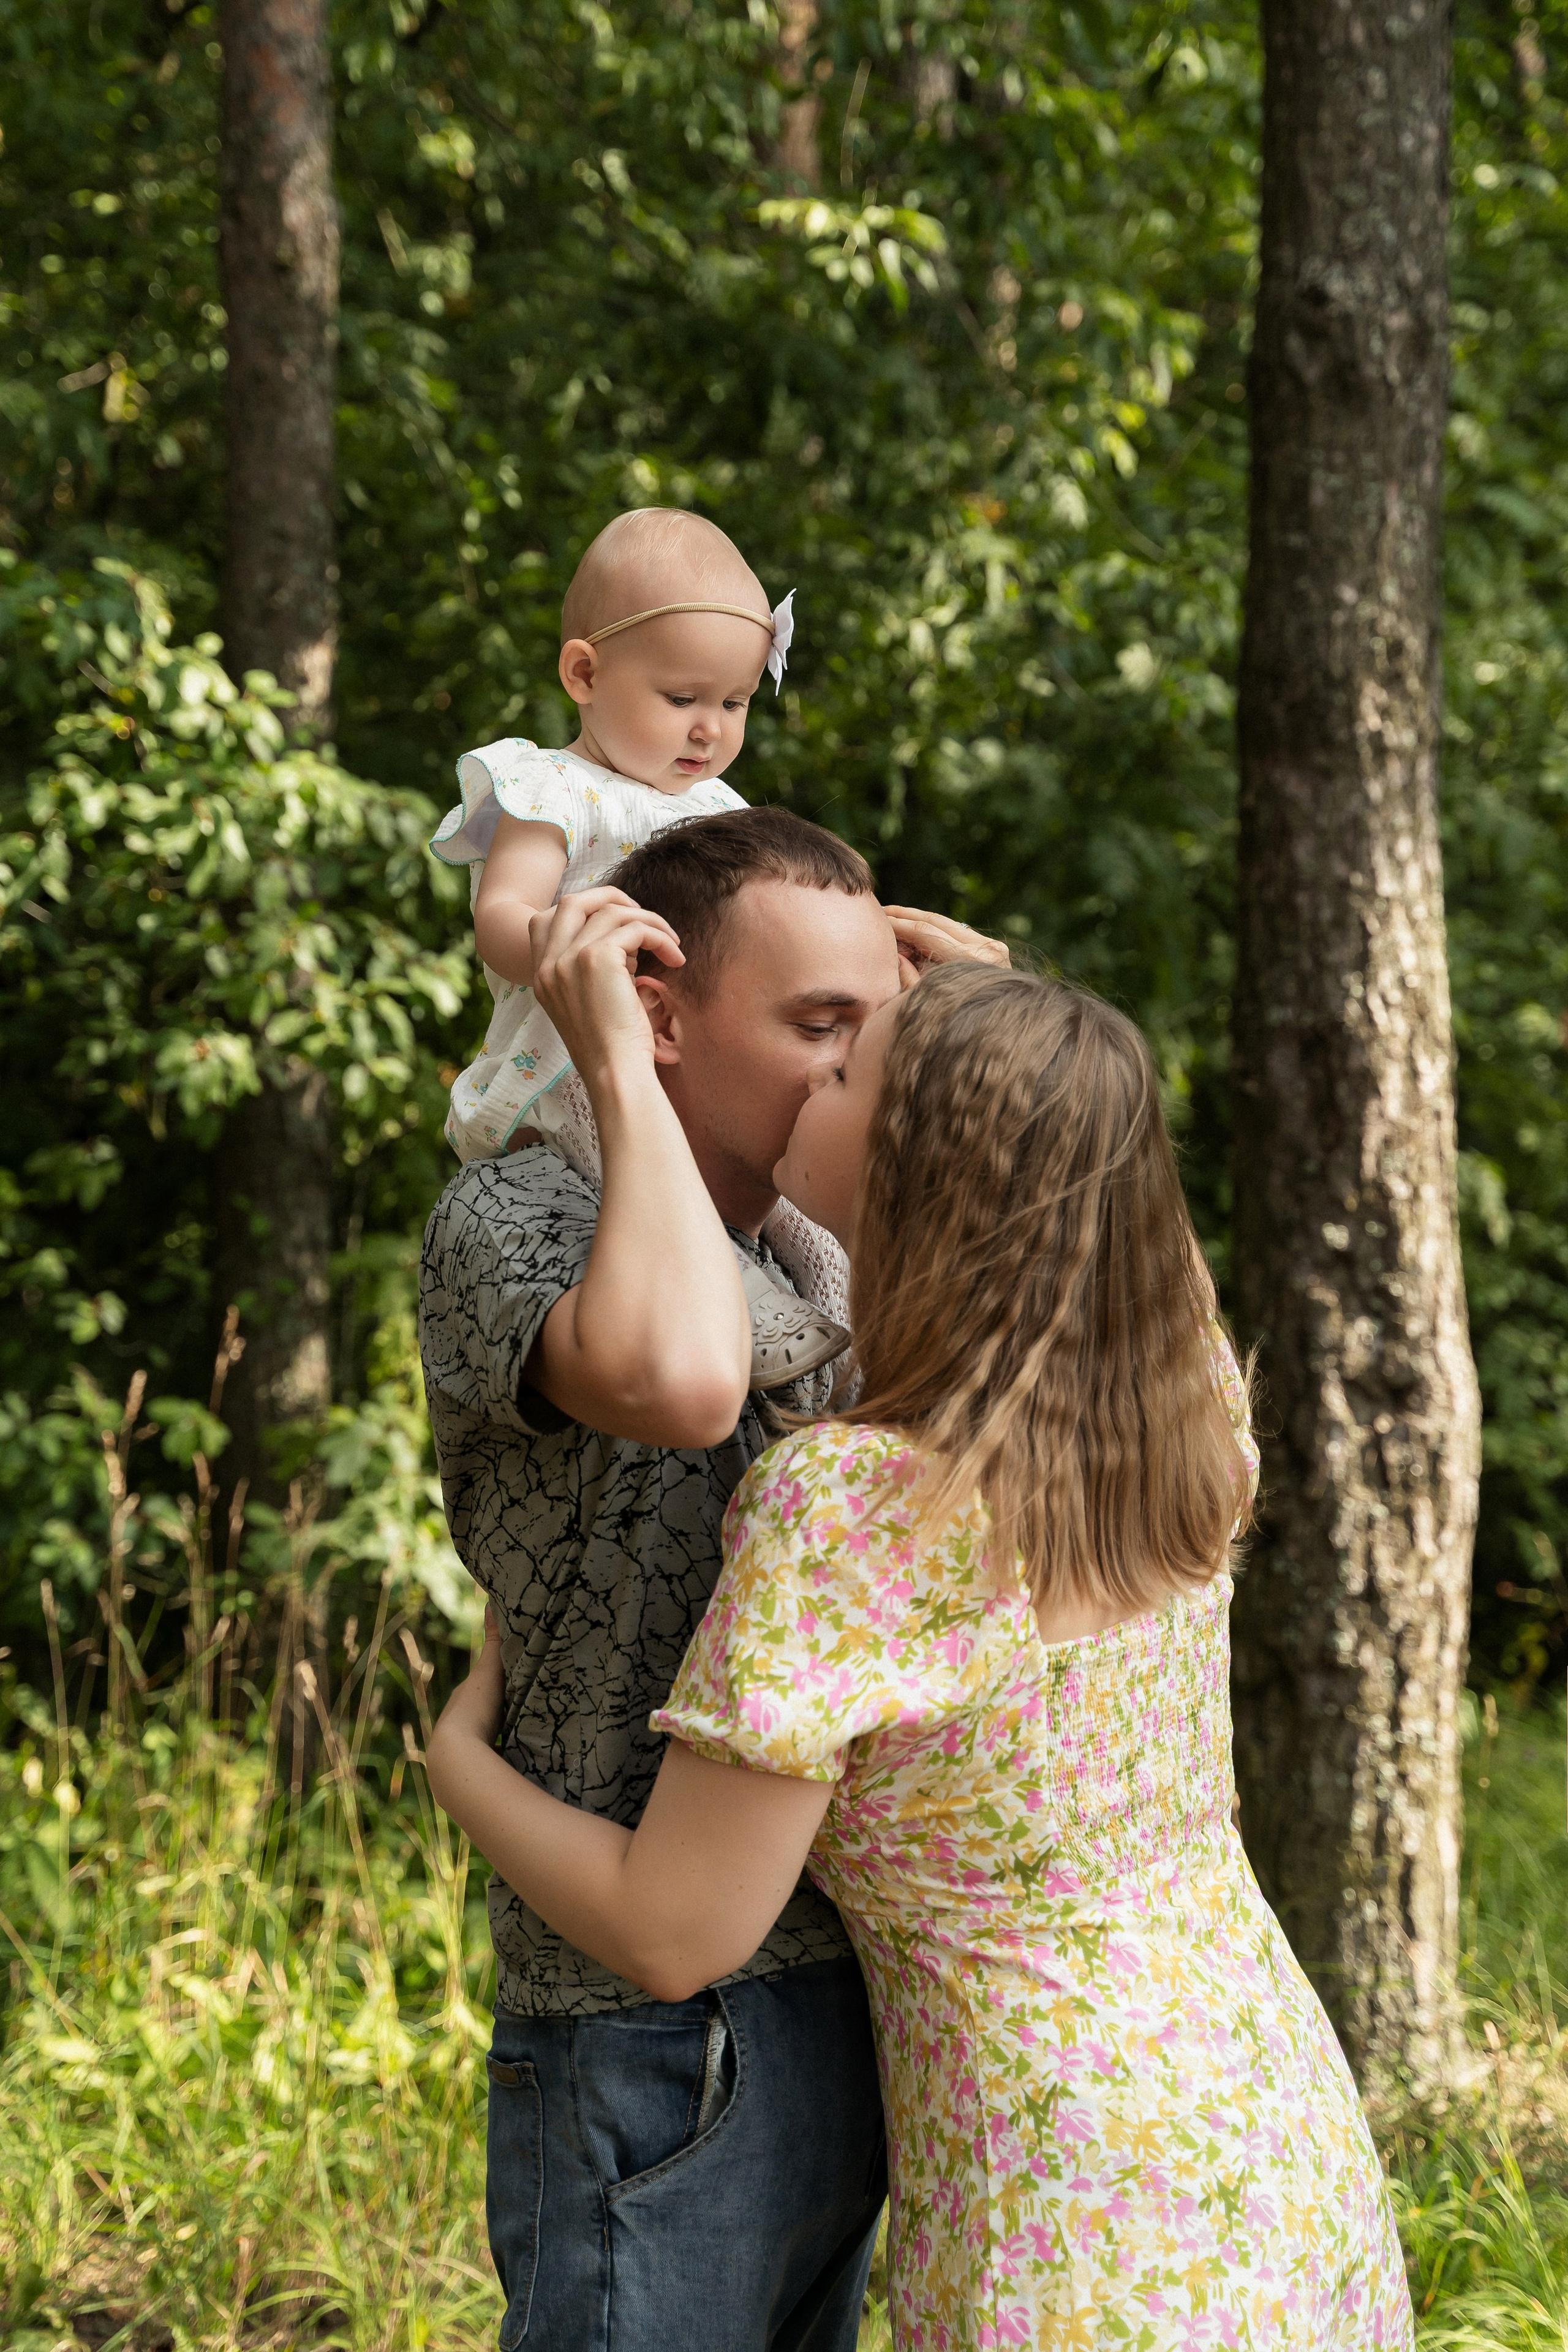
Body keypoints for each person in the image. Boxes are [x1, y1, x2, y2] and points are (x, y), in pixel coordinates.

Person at [428, 956, 1417, 2350]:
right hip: (1271, 2139)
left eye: (844, 1067)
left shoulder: (856, 1513)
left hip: (1069, 2210)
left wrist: (460, 1760)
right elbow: (1116, 1195)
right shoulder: (1191, 1414)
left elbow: (672, 1930)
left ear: (914, 1169)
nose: (810, 1073)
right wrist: (1010, 1010)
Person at [419, 804, 1000, 2352]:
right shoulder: (520, 1216)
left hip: (864, 1987)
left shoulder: (829, 1250)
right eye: (817, 1023)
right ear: (662, 1010)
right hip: (645, 2023)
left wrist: (987, 1033)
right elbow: (681, 1379)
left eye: (869, 1029)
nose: (849, 1066)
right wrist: (611, 1063)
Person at [429, 504, 845, 1387]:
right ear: (585, 672)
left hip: (691, 1061)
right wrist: (558, 938)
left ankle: (840, 1312)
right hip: (575, 1057)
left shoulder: (721, 810)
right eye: (683, 698)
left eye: (734, 702)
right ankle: (747, 1313)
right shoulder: (555, 790)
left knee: (805, 1194)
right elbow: (501, 922)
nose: (711, 729)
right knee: (646, 1183)